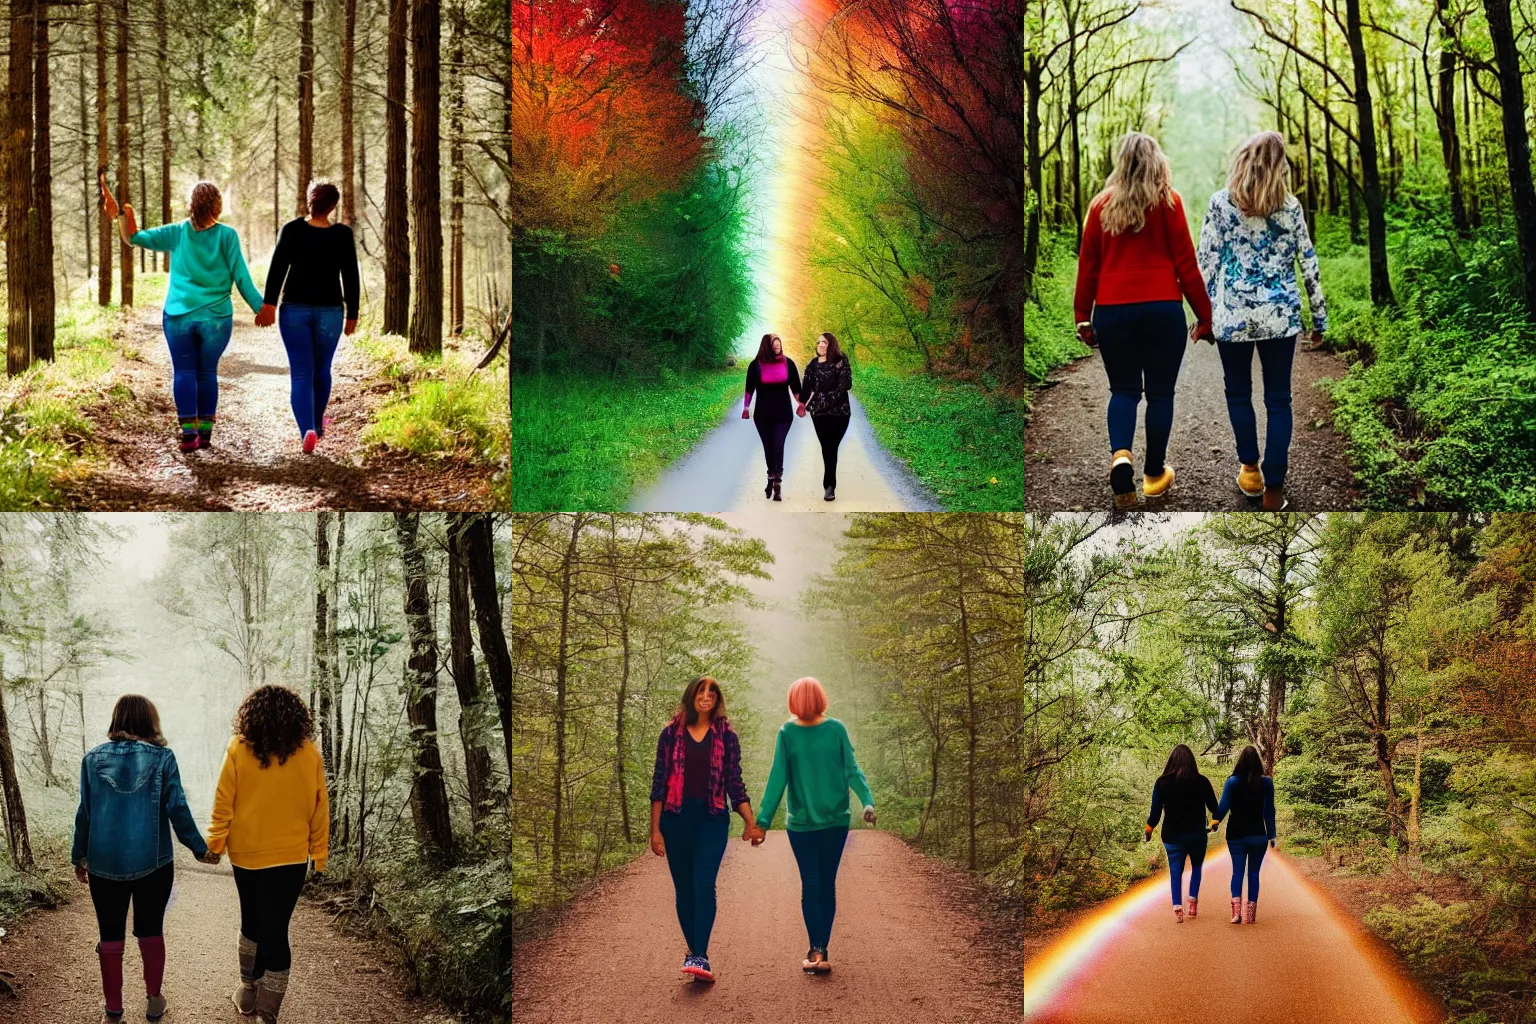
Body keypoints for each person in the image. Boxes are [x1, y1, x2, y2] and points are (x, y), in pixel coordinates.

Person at [1073, 132, 1213, 509]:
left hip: (1114, 312)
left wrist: (1082, 317)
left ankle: (1121, 457)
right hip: (1163, 310)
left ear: (1121, 162)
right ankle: (1153, 476)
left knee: (1123, 391)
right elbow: (1187, 266)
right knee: (1160, 394)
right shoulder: (1169, 202)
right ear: (1157, 162)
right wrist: (1205, 316)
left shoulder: (1100, 206)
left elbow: (1088, 267)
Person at [1196, 131, 1327, 512]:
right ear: (1279, 166)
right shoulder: (1291, 207)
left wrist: (1202, 317)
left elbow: (1206, 264)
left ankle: (1250, 469)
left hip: (1233, 318)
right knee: (1279, 399)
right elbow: (1309, 264)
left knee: (1238, 394)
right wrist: (1319, 318)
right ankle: (1274, 489)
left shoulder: (1221, 204)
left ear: (1242, 160)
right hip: (1280, 319)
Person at [70, 695, 216, 1024]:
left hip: (105, 864)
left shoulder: (92, 760)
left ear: (117, 720)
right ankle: (153, 1000)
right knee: (151, 930)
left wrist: (79, 856)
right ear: (151, 721)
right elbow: (176, 807)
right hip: (154, 863)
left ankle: (113, 1009)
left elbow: (85, 814)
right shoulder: (163, 758)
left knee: (110, 935)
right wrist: (199, 847)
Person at [102, 176, 264, 452]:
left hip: (178, 316)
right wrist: (262, 308)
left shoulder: (177, 232)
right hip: (215, 318)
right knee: (207, 372)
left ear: (191, 206)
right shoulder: (227, 235)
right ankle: (206, 433)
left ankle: (189, 434)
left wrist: (119, 216)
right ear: (217, 206)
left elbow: (133, 239)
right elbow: (241, 277)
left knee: (185, 371)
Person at [206, 685, 329, 1023]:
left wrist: (216, 844)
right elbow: (321, 808)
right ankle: (267, 1012)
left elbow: (223, 801)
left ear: (251, 715)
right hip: (291, 857)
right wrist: (318, 852)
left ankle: (248, 991)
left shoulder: (237, 748)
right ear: (297, 718)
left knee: (252, 921)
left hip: (246, 853)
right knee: (277, 929)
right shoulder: (309, 753)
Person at [754, 677, 875, 974]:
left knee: (824, 884)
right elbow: (777, 778)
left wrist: (868, 801)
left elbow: (852, 769)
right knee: (812, 885)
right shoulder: (787, 733)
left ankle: (820, 947)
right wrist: (762, 821)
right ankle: (817, 949)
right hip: (802, 825)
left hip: (835, 822)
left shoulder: (836, 729)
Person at [648, 676, 762, 984]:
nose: (707, 696)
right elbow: (658, 784)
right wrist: (655, 830)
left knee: (703, 885)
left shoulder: (726, 737)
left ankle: (700, 955)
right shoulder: (670, 735)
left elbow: (735, 784)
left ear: (718, 699)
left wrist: (751, 823)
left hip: (712, 820)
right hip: (675, 820)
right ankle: (694, 953)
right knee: (684, 889)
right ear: (691, 696)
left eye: (712, 691)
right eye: (701, 690)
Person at [258, 179, 361, 453]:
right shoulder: (342, 234)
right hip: (330, 313)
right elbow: (351, 274)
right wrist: (353, 312)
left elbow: (277, 267)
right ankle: (317, 421)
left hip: (294, 310)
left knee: (301, 372)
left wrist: (268, 304)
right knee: (322, 369)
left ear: (309, 201)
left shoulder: (292, 230)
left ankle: (308, 430)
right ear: (333, 206)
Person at [1143, 743, 1219, 923]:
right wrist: (1214, 822)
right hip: (1197, 835)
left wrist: (1149, 829)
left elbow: (1155, 813)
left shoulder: (1162, 782)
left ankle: (1177, 907)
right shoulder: (1202, 781)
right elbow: (1215, 808)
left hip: (1171, 835)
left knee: (1175, 871)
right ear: (1192, 761)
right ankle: (1193, 901)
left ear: (1171, 761)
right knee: (1197, 867)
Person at [1210, 745, 1277, 924]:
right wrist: (1272, 836)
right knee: (1254, 874)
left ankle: (1236, 914)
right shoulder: (1266, 783)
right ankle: (1251, 916)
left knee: (1237, 872)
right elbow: (1269, 812)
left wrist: (1214, 822)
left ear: (1240, 762)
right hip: (1258, 835)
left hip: (1236, 835)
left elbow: (1223, 807)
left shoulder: (1232, 782)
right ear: (1258, 764)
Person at [743, 333, 802, 501]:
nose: (778, 347)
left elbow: (796, 388)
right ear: (766, 347)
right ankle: (771, 477)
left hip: (783, 414)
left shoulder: (788, 364)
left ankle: (777, 481)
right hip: (762, 415)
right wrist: (746, 407)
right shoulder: (755, 366)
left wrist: (801, 404)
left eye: (779, 344)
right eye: (774, 345)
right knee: (768, 448)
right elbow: (749, 389)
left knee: (778, 445)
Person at [797, 333, 853, 502]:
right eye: (819, 342)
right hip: (819, 413)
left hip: (840, 412)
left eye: (824, 342)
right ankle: (829, 486)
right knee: (827, 446)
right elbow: (806, 387)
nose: (821, 345)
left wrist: (829, 399)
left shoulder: (841, 360)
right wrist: (801, 404)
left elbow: (847, 385)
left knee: (832, 446)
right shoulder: (812, 365)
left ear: (831, 344)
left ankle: (829, 485)